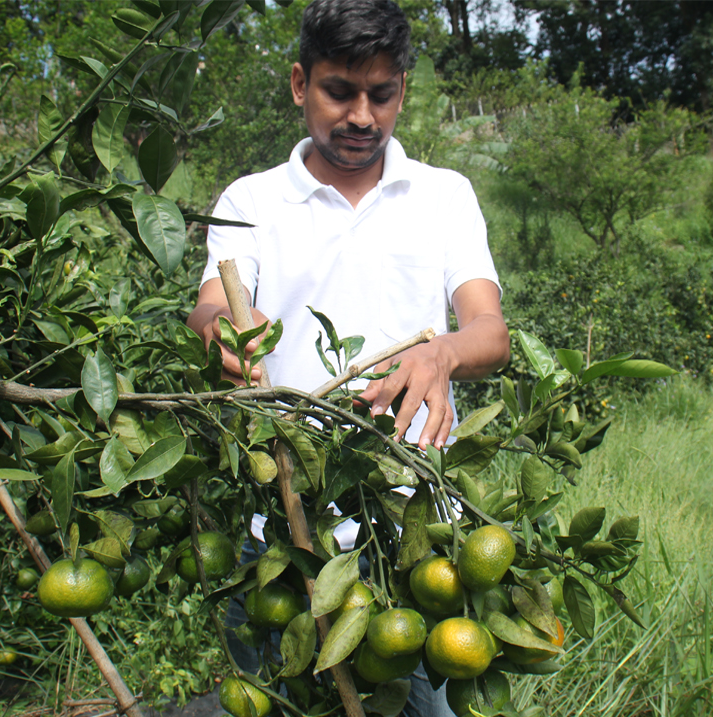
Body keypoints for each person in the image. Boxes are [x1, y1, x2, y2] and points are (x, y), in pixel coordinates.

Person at [185, 1, 508, 714]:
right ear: (301, 84)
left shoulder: (444, 196)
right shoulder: (250, 202)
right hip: (283, 528)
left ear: (402, 93)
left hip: (416, 523)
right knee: (280, 699)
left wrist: (444, 353)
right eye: (340, 91)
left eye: (381, 95)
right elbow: (209, 306)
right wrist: (219, 330)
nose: (361, 115)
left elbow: (490, 331)